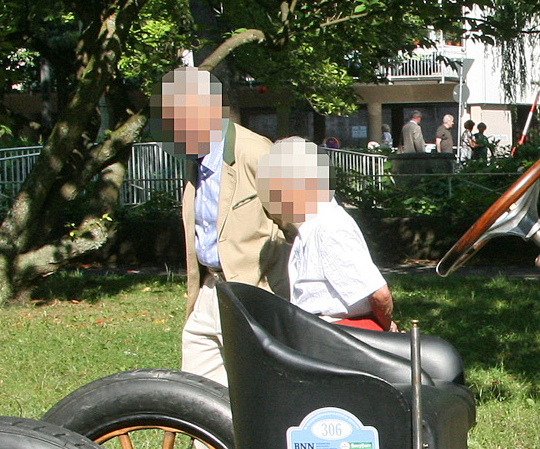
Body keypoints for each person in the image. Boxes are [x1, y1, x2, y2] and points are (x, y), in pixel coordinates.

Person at [164, 63, 287, 385]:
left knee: (256, 390)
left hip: (256, 294)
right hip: (209, 290)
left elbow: (297, 226)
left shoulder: (255, 152)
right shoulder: (195, 161)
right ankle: (205, 438)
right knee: (197, 396)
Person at [257, 138, 394, 332]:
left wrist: (389, 329)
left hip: (343, 338)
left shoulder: (331, 226)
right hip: (321, 332)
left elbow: (380, 295)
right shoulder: (312, 225)